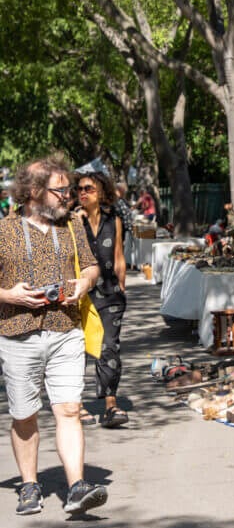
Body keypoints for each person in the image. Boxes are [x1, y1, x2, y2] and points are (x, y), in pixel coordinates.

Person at [0, 154, 107, 515]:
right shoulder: (4, 230)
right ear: (33, 191)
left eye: (70, 190)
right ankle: (30, 485)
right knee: (25, 415)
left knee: (70, 409)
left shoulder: (72, 226)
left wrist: (84, 282)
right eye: (61, 190)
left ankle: (77, 486)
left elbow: (92, 266)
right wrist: (9, 295)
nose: (69, 197)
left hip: (65, 328)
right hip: (17, 333)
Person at [74, 171, 129, 428]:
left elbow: (118, 254)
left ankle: (110, 405)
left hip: (110, 293)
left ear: (102, 192)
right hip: (80, 296)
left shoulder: (114, 219)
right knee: (77, 350)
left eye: (89, 188)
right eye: (80, 189)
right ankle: (78, 406)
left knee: (109, 348)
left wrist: (122, 285)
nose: (83, 193)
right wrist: (74, 221)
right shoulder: (70, 222)